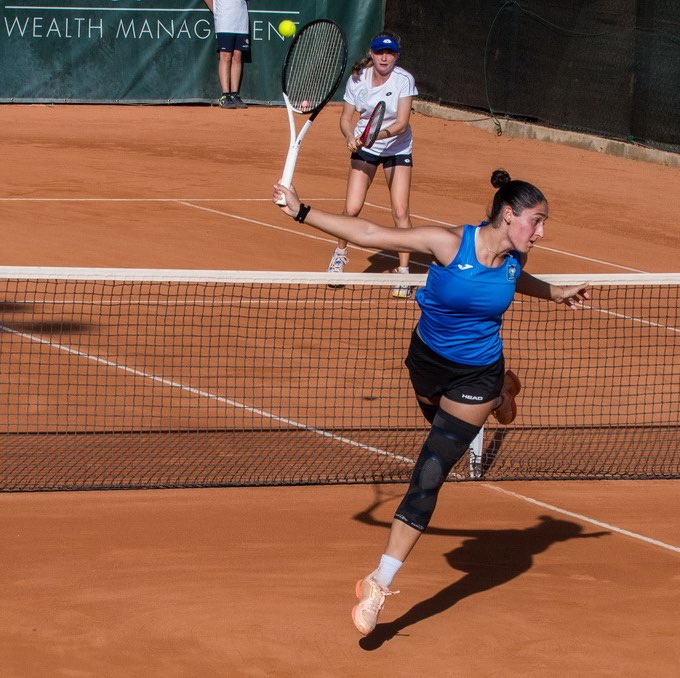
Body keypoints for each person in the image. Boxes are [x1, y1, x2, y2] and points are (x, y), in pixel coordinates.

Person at [273, 169, 590, 636]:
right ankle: (502, 394)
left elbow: (513, 278)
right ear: (509, 215)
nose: (541, 231)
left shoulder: (514, 257)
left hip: (476, 372)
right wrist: (301, 211)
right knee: (442, 418)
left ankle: (379, 583)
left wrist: (555, 291)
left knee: (431, 471)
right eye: (536, 221)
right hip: (427, 365)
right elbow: (370, 233)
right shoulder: (448, 244)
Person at [327, 31, 418, 298]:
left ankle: (403, 273)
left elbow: (401, 124)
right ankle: (338, 257)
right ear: (372, 53)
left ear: (396, 56)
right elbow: (346, 118)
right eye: (379, 52)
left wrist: (376, 136)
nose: (384, 58)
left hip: (397, 148)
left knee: (400, 211)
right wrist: (349, 136)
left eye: (389, 53)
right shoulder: (358, 79)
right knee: (352, 208)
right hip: (364, 147)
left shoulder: (404, 80)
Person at [204, 0, 249, 109]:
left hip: (241, 16)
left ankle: (235, 95)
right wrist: (216, 10)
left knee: (237, 56)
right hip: (224, 18)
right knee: (226, 56)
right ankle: (225, 95)